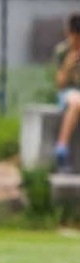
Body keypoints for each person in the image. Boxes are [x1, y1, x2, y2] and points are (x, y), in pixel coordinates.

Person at [52, 13, 80, 171]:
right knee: (76, 101)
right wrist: (68, 65)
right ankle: (62, 147)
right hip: (68, 93)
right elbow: (60, 84)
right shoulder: (62, 51)